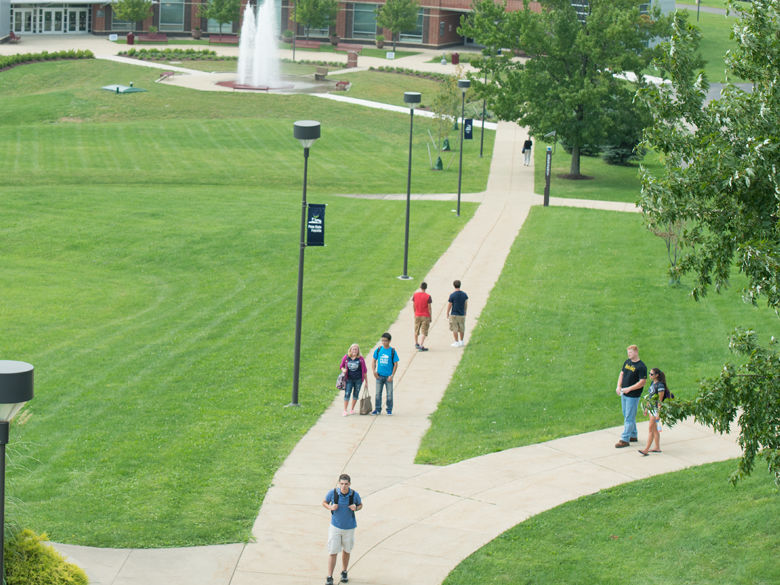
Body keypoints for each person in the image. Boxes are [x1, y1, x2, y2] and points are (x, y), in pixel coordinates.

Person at [322, 473, 363, 584]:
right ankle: (329, 577)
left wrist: (356, 507)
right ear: (339, 483)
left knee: (347, 550)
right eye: (342, 484)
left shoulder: (354, 494)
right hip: (335, 527)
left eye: (346, 484)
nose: (344, 486)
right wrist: (330, 507)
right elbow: (324, 502)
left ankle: (344, 572)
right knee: (333, 551)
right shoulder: (333, 493)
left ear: (349, 484)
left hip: (349, 528)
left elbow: (360, 505)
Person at [614, 344, 647, 448]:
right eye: (628, 352)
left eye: (631, 352)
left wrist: (629, 389)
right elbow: (622, 374)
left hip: (633, 395)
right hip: (624, 393)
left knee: (629, 416)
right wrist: (618, 386)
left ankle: (624, 439)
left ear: (636, 352)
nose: (629, 354)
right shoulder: (627, 362)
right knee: (626, 414)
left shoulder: (641, 366)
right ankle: (633, 435)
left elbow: (642, 382)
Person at [639, 368, 669, 456]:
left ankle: (646, 449)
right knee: (655, 429)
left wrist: (658, 413)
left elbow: (660, 401)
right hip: (651, 408)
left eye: (651, 374)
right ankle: (657, 447)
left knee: (651, 429)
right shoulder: (653, 383)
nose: (649, 375)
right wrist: (646, 408)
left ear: (657, 375)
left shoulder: (660, 386)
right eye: (649, 373)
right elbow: (650, 397)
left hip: (656, 410)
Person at [371, 332, 399, 415]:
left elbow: (396, 364)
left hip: (388, 377)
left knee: (389, 394)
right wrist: (374, 371)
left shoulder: (392, 351)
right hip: (379, 376)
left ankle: (389, 409)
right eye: (382, 340)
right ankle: (377, 409)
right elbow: (373, 361)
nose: (383, 342)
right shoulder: (379, 350)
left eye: (385, 341)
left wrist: (392, 375)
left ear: (389, 341)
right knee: (377, 394)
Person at [339, 344, 367, 416]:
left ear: (358, 351)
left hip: (358, 380)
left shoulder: (361, 359)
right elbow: (341, 366)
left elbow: (364, 371)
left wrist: (366, 382)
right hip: (349, 379)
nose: (354, 350)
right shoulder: (346, 357)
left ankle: (352, 409)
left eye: (356, 349)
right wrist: (343, 370)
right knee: (347, 393)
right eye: (353, 349)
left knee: (356, 394)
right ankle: (345, 410)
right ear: (350, 350)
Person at [447, 280, 468, 347]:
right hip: (461, 313)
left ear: (454, 285)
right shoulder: (464, 294)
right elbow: (466, 303)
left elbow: (450, 304)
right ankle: (461, 341)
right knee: (462, 327)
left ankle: (456, 342)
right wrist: (465, 311)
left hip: (454, 314)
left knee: (454, 328)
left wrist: (447, 312)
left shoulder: (452, 295)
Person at [412, 282, 432, 351]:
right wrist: (430, 317)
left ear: (420, 287)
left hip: (417, 314)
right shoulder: (428, 296)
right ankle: (421, 345)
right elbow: (429, 308)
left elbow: (414, 305)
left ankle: (416, 343)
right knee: (424, 331)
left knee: (416, 329)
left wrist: (415, 313)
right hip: (425, 315)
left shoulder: (415, 295)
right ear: (426, 288)